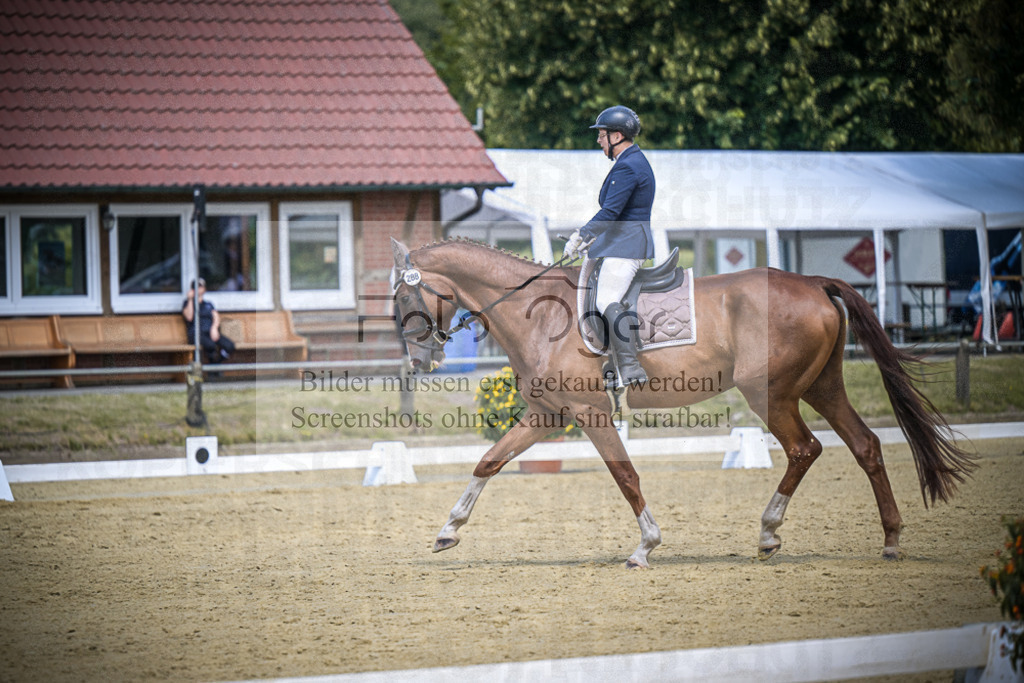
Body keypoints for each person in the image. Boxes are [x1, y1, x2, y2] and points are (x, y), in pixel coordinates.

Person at [565, 105, 655, 387]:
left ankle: (629, 367)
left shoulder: (628, 166)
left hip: (627, 246)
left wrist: (582, 234)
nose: (598, 140)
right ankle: (613, 362)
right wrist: (591, 241)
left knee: (605, 300)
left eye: (602, 135)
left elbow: (611, 213)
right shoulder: (630, 162)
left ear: (617, 136)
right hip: (621, 242)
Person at [182, 278, 235, 364]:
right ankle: (212, 368)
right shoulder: (187, 303)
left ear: (204, 289)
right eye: (195, 287)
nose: (198, 289)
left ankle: (216, 364)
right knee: (210, 345)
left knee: (229, 346)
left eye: (200, 287)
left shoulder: (208, 304)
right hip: (196, 333)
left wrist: (214, 328)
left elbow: (216, 317)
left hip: (210, 332)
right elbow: (189, 317)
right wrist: (190, 299)